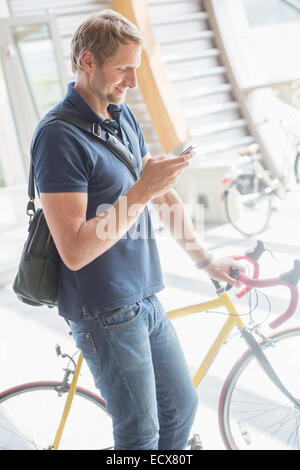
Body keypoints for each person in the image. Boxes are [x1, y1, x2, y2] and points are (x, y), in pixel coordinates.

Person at [32, 9, 243, 450]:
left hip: (143, 296)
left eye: (136, 69)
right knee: (139, 435)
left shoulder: (120, 115)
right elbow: (73, 249)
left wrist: (205, 260)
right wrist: (141, 191)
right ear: (87, 62)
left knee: (181, 409)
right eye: (123, 69)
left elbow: (160, 194)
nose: (132, 81)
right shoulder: (58, 137)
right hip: (103, 310)